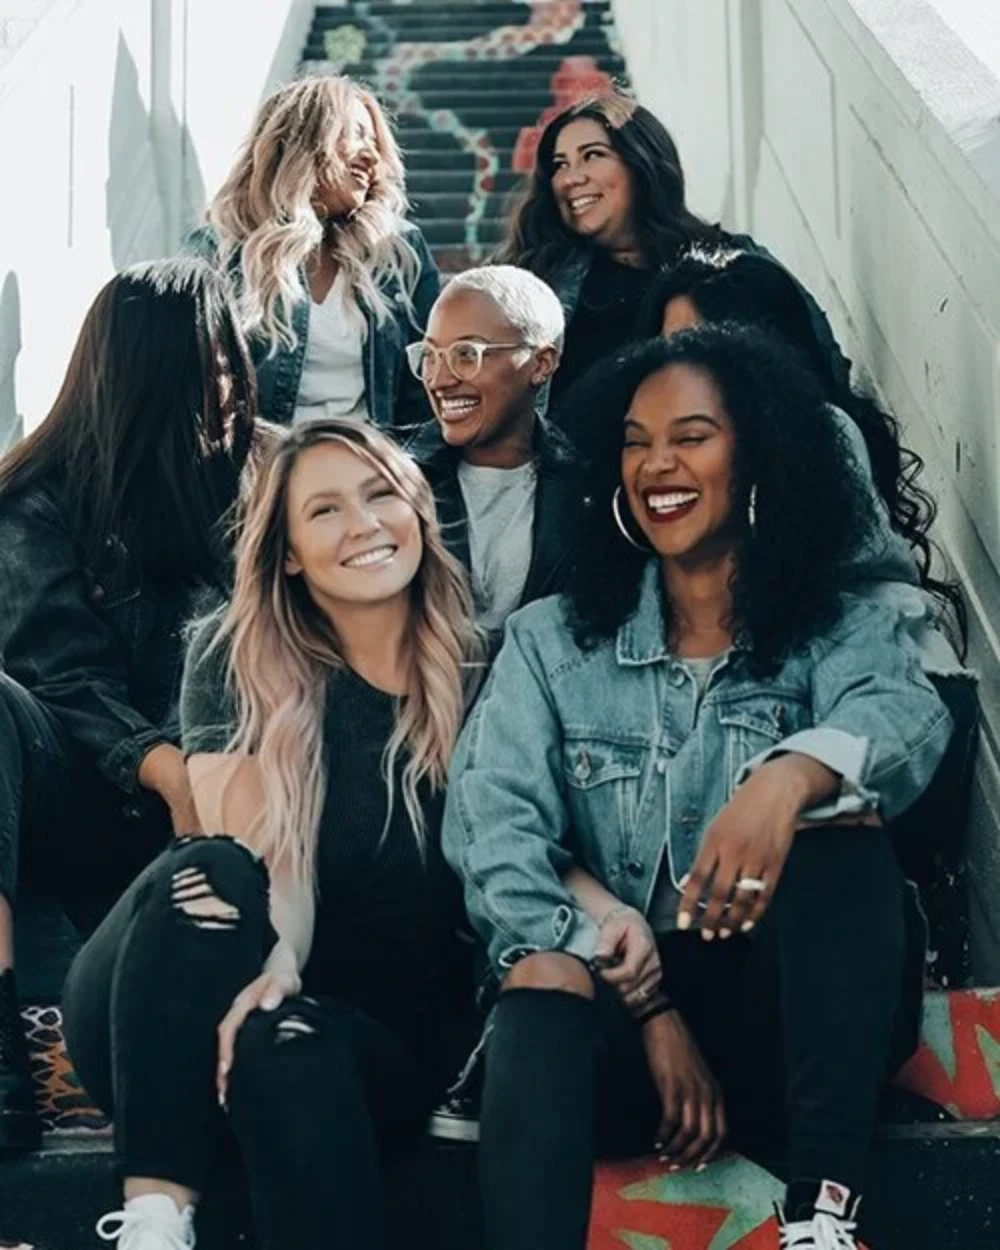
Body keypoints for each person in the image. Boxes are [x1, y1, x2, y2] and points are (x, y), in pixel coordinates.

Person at [443, 327, 953, 1250]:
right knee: (539, 977)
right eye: (636, 442)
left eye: (692, 436)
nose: (658, 464)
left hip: (793, 1030)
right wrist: (649, 1006)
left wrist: (790, 775)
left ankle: (821, 1215)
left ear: (758, 455)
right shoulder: (553, 643)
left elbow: (908, 719)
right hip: (620, 1028)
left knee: (842, 829)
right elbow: (491, 831)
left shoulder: (831, 631)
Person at [61, 418, 482, 1250]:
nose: (361, 524)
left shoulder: (490, 670)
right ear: (287, 552)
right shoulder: (237, 655)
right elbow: (265, 861)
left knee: (284, 1043)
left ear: (418, 511)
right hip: (181, 1002)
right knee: (209, 867)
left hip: (365, 1039)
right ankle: (153, 1219)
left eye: (378, 495)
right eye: (323, 511)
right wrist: (282, 959)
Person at [639, 246, 978, 974]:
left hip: (898, 700)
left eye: (695, 347)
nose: (673, 371)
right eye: (665, 351)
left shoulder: (812, 432)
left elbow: (780, 597)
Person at [0, 258, 257, 1153]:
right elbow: (59, 675)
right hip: (91, 792)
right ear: (149, 376)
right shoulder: (37, 499)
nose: (230, 384)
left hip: (247, 785)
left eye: (232, 360)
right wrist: (166, 768)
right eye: (209, 364)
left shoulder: (262, 479)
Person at [494, 88, 847, 412]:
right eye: (560, 165)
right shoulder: (536, 281)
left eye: (592, 155)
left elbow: (813, 371)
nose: (571, 178)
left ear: (640, 162)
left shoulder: (735, 266)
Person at [188, 74, 439, 431]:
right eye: (356, 134)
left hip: (368, 470)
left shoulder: (398, 253)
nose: (372, 156)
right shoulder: (219, 251)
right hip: (262, 474)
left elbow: (425, 392)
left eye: (375, 142)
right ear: (302, 141)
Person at [408, 265, 576, 646]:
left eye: (467, 354)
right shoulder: (394, 477)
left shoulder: (586, 490)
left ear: (541, 363)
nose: (440, 379)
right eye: (431, 356)